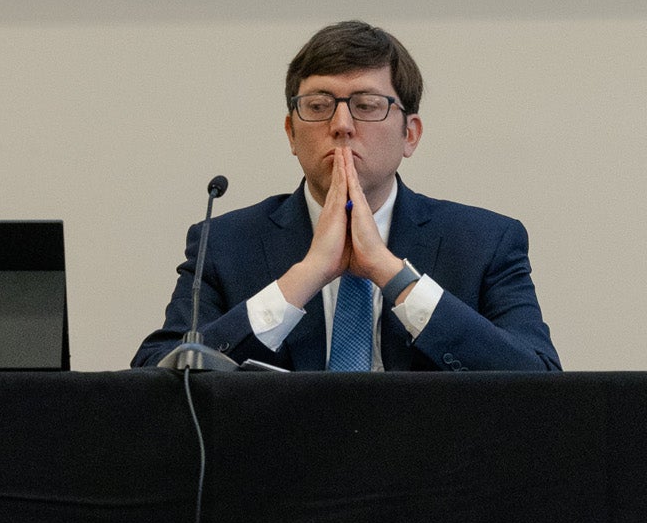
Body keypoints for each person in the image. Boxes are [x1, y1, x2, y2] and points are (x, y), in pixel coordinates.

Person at [132, 19, 558, 372]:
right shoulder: (225, 243)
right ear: (291, 133)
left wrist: (393, 276)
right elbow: (156, 377)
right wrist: (304, 277)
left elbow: (540, 380)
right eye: (318, 106)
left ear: (410, 135)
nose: (341, 125)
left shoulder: (484, 242)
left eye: (367, 105)